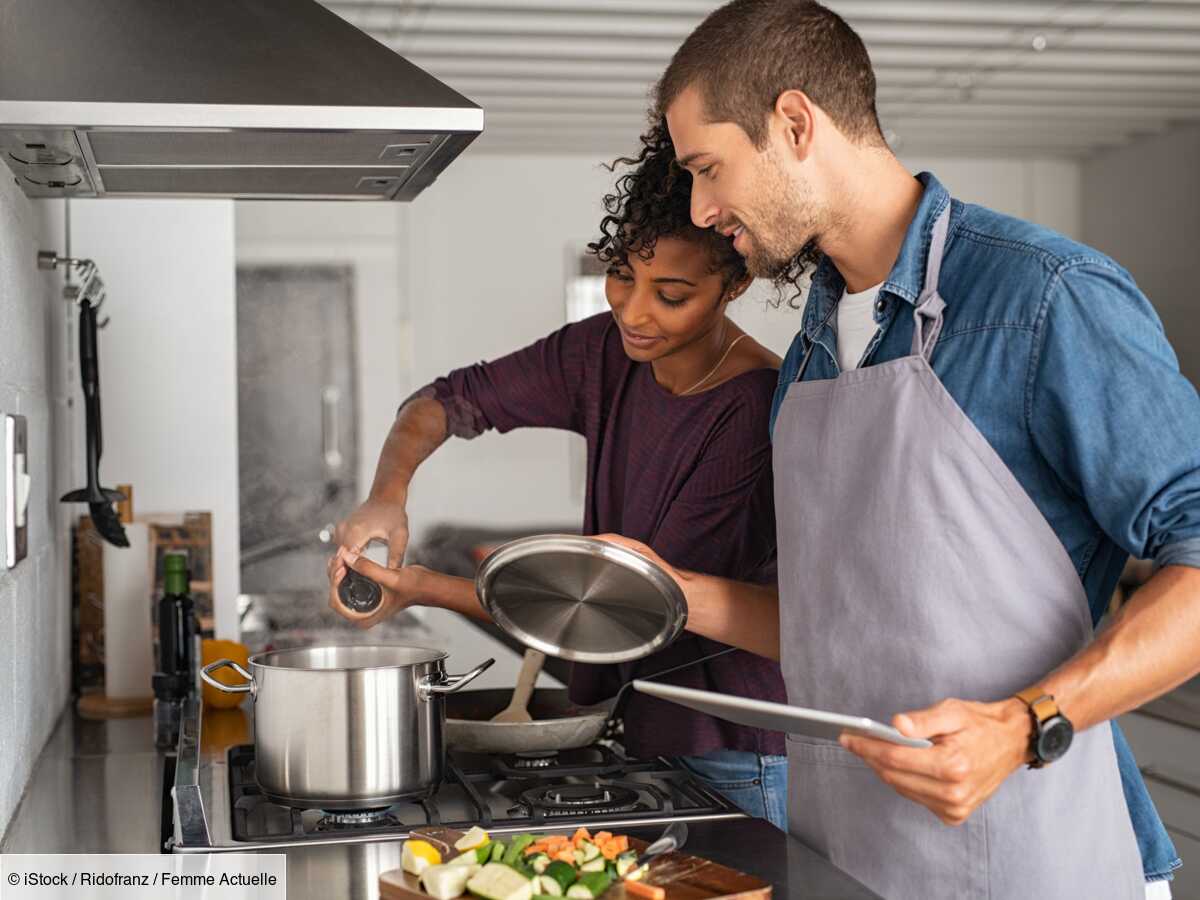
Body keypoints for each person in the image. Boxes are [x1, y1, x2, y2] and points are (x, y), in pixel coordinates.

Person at [594, 1, 1200, 897]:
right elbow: (842, 626)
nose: (700, 207)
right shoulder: (805, 355)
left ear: (796, 124)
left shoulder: (1042, 297)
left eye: (708, 168)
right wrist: (669, 593)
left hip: (1033, 854)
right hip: (848, 854)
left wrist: (1025, 725)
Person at [327, 143, 792, 829]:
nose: (634, 313)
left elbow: (627, 614)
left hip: (734, 753)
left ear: (736, 285)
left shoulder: (749, 411)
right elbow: (447, 401)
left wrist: (424, 587)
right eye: (621, 277)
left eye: (671, 295)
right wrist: (386, 493)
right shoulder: (604, 351)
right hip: (645, 728)